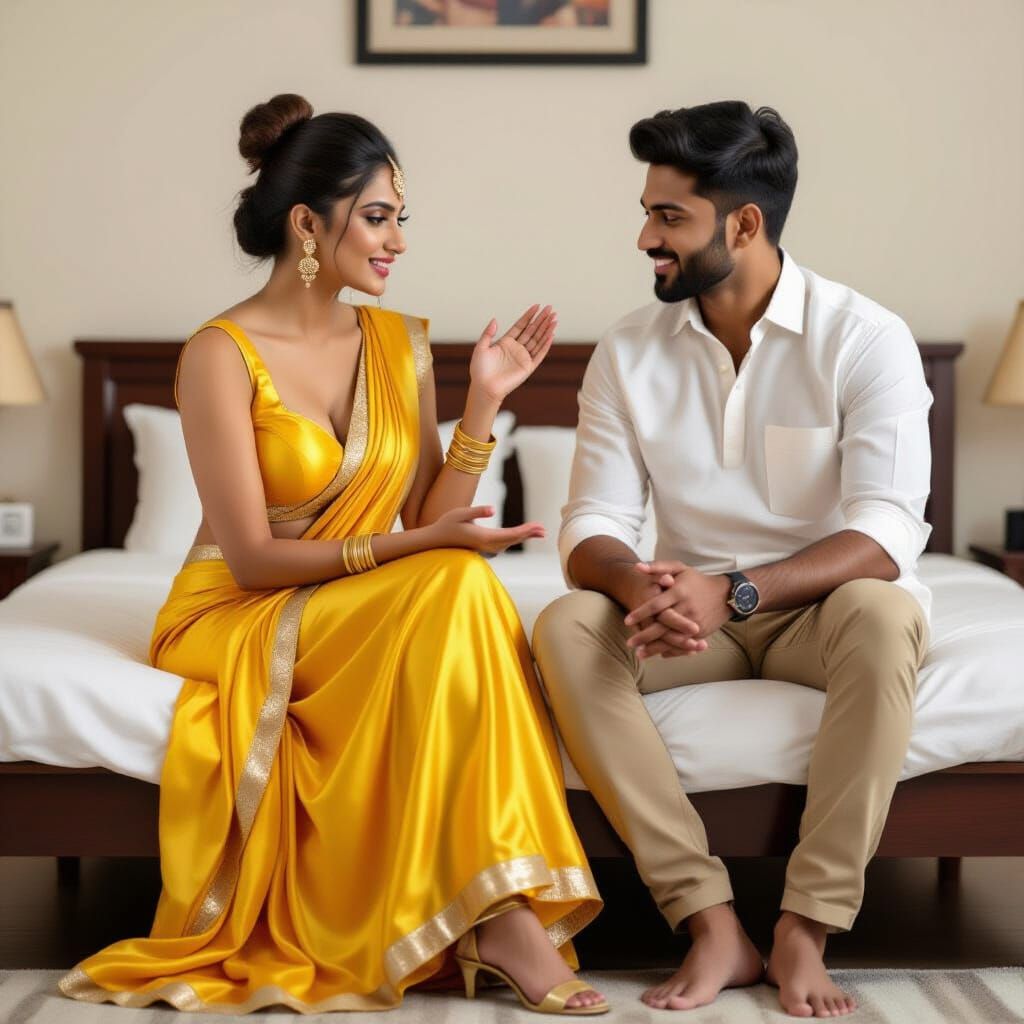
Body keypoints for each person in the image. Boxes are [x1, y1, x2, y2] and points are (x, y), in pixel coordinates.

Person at [58, 93, 606, 1016]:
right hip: (233, 608)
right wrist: (418, 544)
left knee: (460, 583)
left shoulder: (399, 345)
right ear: (308, 224)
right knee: (453, 579)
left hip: (358, 599)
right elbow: (251, 559)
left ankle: (499, 911)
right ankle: (501, 922)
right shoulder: (219, 354)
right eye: (379, 217)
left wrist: (482, 406)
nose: (398, 242)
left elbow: (429, 514)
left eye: (401, 219)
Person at [533, 100, 932, 1019]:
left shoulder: (865, 338)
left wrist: (737, 590)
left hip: (822, 610)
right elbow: (592, 521)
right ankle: (709, 920)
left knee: (888, 614)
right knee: (568, 626)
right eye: (648, 213)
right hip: (684, 615)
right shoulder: (628, 350)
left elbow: (885, 533)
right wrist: (639, 584)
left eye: (668, 217)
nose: (645, 238)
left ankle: (806, 926)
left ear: (744, 223)